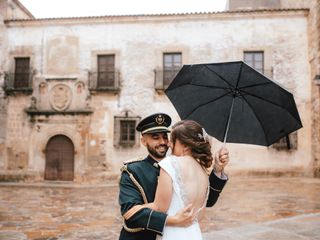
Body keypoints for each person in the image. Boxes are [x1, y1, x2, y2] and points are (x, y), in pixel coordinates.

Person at [118, 113, 229, 240]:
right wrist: (171, 220)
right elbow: (130, 213)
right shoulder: (133, 171)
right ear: (143, 141)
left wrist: (218, 170)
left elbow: (206, 201)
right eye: (155, 137)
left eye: (165, 136)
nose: (163, 142)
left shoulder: (176, 165)